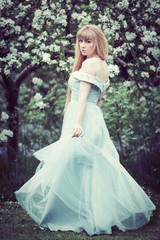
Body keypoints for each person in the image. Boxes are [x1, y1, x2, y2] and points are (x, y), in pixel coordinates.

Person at [15, 25, 156, 236]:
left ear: (97, 42)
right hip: (94, 119)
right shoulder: (103, 65)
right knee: (89, 168)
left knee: (69, 164)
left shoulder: (90, 64)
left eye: (88, 41)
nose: (82, 45)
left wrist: (78, 122)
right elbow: (97, 102)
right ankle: (91, 214)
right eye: (81, 40)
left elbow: (82, 97)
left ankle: (62, 214)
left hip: (83, 118)